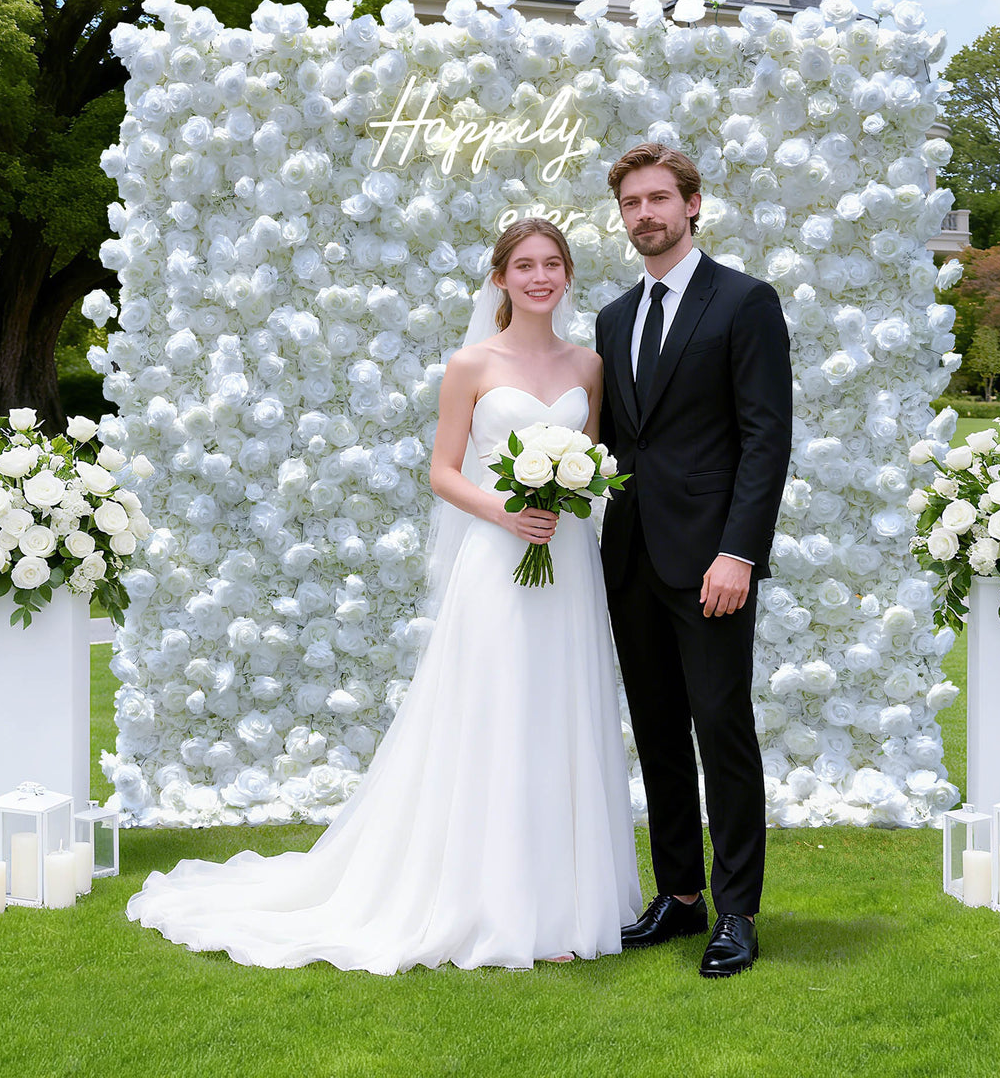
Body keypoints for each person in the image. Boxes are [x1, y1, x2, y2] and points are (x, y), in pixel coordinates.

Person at [127, 218, 642, 972]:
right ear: (499, 279)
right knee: (496, 713)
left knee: (563, 710)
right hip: (498, 555)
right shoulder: (472, 363)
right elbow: (443, 470)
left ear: (567, 276)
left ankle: (566, 905)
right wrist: (504, 510)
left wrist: (570, 493)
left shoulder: (589, 366)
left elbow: (593, 459)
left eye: (553, 264)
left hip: (566, 560)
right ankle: (488, 902)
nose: (540, 277)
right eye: (524, 265)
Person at [594, 143, 792, 978]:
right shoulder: (612, 318)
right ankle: (679, 900)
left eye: (659, 200)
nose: (646, 215)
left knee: (722, 729)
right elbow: (615, 440)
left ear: (694, 205)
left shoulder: (744, 302)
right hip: (631, 560)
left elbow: (764, 438)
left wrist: (738, 552)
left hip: (713, 564)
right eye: (632, 203)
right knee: (658, 734)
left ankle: (737, 912)